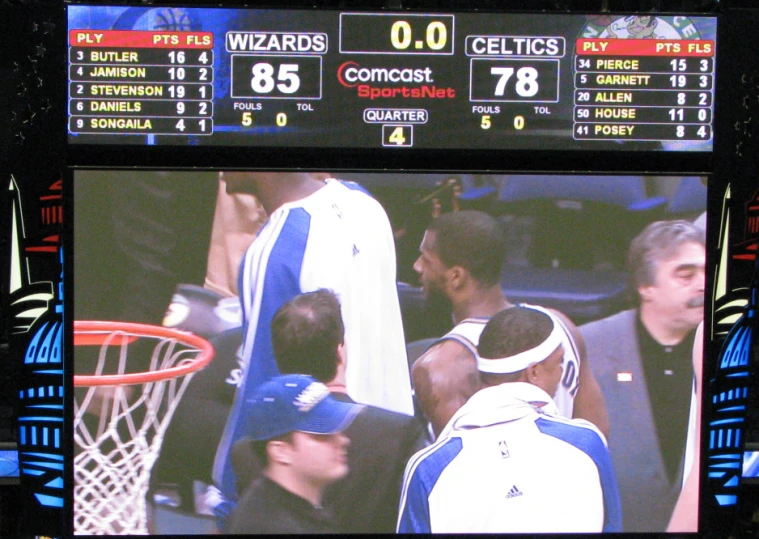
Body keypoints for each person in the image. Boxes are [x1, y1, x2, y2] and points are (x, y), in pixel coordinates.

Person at [211, 172, 413, 521]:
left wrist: (230, 492)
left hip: (330, 460)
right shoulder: (366, 203)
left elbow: (263, 386)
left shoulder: (273, 250)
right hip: (396, 446)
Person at [397, 307, 622, 533]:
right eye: (559, 363)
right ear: (534, 372)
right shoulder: (586, 444)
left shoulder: (428, 469)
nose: (562, 373)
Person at [232, 289, 427, 533]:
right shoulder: (400, 434)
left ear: (280, 359)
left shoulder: (246, 451)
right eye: (321, 435)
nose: (341, 439)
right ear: (340, 352)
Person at [410, 210, 609, 438]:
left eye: (426, 259)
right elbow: (597, 435)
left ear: (456, 276)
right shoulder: (562, 325)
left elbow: (461, 465)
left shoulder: (441, 366)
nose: (417, 266)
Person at [580, 219, 706, 532]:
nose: (703, 284)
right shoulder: (591, 348)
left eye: (707, 273)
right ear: (646, 287)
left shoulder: (726, 349)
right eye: (686, 275)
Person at [226, 374, 363, 534]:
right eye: (322, 435)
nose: (342, 440)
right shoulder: (271, 526)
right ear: (280, 451)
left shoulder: (291, 507)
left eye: (338, 430)